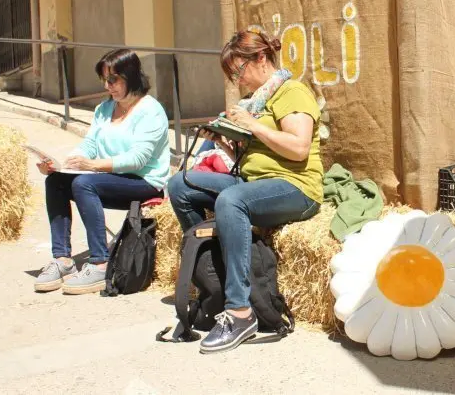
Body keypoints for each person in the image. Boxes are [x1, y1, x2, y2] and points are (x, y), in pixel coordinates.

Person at [168, 30, 323, 354]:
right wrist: (224, 137)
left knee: (231, 200)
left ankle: (240, 312)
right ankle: (213, 275)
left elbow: (299, 148)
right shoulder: (257, 102)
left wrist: (252, 124)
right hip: (255, 183)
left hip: (296, 186)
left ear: (261, 59)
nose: (238, 82)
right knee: (181, 184)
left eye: (238, 72)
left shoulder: (292, 93)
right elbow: (253, 156)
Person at [34, 49, 170, 295]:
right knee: (56, 181)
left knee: (84, 184)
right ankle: (63, 260)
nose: (108, 86)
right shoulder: (104, 109)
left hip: (144, 181)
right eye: (105, 80)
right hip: (110, 177)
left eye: (113, 80)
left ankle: (100, 262)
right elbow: (90, 145)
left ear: (131, 77)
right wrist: (65, 163)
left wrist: (93, 166)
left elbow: (138, 159)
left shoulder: (151, 110)